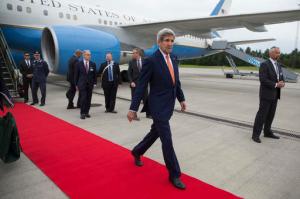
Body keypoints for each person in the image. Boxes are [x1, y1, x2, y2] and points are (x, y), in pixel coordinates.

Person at [127, 28, 187, 190]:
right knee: (166, 139)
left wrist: (181, 99)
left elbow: (176, 82)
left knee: (155, 133)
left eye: (172, 40)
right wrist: (133, 108)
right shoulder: (151, 60)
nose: (169, 43)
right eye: (166, 40)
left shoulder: (174, 58)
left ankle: (137, 151)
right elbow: (141, 86)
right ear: (159, 42)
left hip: (169, 105)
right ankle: (174, 174)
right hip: (157, 106)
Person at [252, 47, 285, 143]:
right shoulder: (264, 64)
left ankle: (267, 132)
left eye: (279, 53)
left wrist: (282, 83)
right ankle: (255, 135)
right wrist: (275, 84)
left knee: (271, 115)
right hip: (266, 95)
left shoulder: (278, 65)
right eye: (276, 52)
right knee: (262, 115)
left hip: (275, 94)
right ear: (271, 53)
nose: (278, 54)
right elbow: (263, 79)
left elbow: (281, 77)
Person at [128, 48, 150, 120]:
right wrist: (131, 82)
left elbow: (148, 72)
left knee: (146, 100)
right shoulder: (131, 62)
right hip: (135, 85)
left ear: (138, 53)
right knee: (135, 100)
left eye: (133, 53)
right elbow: (129, 74)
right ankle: (134, 115)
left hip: (144, 85)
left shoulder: (145, 61)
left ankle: (148, 114)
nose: (132, 54)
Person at [74, 50, 97, 119]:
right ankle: (82, 113)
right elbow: (76, 75)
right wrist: (76, 84)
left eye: (89, 55)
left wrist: (95, 83)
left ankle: (87, 112)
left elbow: (94, 75)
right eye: (87, 54)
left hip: (90, 85)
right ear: (84, 55)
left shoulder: (93, 64)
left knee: (88, 99)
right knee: (83, 99)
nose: (89, 56)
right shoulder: (79, 64)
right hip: (82, 84)